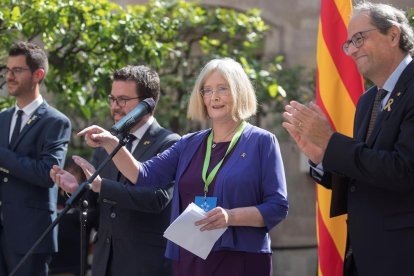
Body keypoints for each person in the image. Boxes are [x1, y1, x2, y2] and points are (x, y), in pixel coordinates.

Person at [53, 57, 289, 276]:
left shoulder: (262, 141)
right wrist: (110, 142)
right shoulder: (190, 143)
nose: (214, 96)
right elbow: (142, 174)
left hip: (240, 256)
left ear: (239, 92)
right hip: (191, 256)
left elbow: (277, 206)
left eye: (222, 88)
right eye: (207, 90)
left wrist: (230, 216)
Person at [282, 2, 414, 276]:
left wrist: (332, 143)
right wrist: (321, 158)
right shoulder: (367, 101)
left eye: (359, 38)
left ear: (393, 35)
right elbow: (362, 174)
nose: (351, 50)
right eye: (348, 43)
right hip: (363, 255)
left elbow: (404, 170)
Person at [51, 65, 180, 276]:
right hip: (104, 264)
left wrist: (102, 186)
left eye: (123, 100)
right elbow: (95, 209)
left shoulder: (169, 143)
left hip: (144, 265)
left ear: (147, 104)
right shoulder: (107, 144)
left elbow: (156, 199)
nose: (115, 106)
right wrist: (75, 189)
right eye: (112, 99)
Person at [0, 42, 71, 275]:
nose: (9, 76)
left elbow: (46, 174)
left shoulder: (56, 122)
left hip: (30, 235)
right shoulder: (2, 118)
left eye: (17, 70)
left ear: (38, 74)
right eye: (7, 70)